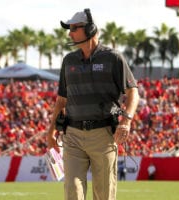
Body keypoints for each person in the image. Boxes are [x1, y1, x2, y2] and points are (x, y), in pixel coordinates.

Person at [47, 8, 139, 200]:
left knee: (103, 194)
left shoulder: (113, 58)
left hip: (104, 135)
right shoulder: (68, 60)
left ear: (90, 29)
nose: (69, 33)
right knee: (72, 192)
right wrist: (51, 131)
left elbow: (133, 92)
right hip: (72, 135)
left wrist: (126, 121)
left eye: (74, 28)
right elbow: (62, 100)